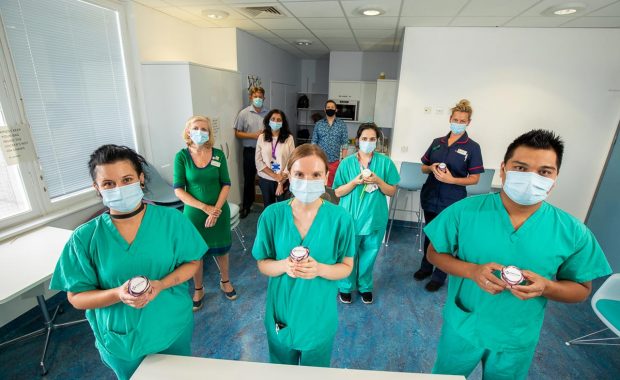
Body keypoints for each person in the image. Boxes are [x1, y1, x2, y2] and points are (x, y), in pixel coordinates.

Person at [425, 129, 611, 380]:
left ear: (555, 178)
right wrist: (472, 271)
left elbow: (581, 289)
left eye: (544, 171)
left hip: (516, 335)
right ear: (503, 169)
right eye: (521, 168)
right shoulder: (465, 212)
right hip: (464, 325)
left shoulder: (573, 232)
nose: (531, 178)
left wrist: (546, 287)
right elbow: (434, 253)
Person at [50, 145, 206, 380]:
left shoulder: (172, 220)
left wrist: (161, 284)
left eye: (127, 179)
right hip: (121, 339)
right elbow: (76, 297)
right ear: (97, 188)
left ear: (141, 179)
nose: (119, 188)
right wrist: (117, 294)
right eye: (109, 184)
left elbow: (192, 262)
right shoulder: (85, 238)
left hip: (171, 328)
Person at [252, 144, 356, 367]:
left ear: (327, 177)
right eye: (299, 174)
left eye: (316, 174)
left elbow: (346, 266)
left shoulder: (340, 219)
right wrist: (283, 266)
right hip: (282, 314)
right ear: (288, 175)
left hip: (318, 316)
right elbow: (262, 263)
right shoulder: (272, 216)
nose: (307, 181)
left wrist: (320, 269)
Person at [414, 99, 484, 292]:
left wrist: (453, 180)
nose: (458, 123)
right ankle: (426, 267)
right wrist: (431, 167)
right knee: (430, 233)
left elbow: (475, 178)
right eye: (455, 119)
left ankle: (439, 275)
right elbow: (423, 167)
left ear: (468, 122)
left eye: (463, 121)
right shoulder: (437, 143)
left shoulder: (472, 147)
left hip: (452, 199)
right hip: (430, 195)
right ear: (450, 119)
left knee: (446, 238)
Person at [174, 116, 237, 308]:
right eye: (196, 128)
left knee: (222, 249)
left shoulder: (217, 155)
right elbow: (179, 189)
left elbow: (226, 184)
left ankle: (225, 281)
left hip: (219, 212)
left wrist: (215, 210)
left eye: (204, 129)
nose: (200, 132)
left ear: (209, 133)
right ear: (188, 131)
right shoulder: (182, 157)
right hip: (194, 214)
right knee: (196, 254)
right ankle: (198, 288)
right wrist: (205, 208)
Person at [333, 123, 400, 304]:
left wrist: (377, 180)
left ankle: (365, 286)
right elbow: (338, 192)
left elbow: (391, 191)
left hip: (374, 219)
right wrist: (355, 182)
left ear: (377, 141)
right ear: (358, 140)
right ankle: (345, 287)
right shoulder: (346, 164)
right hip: (350, 219)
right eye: (364, 139)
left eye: (372, 139)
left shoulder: (385, 163)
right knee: (347, 255)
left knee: (369, 256)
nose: (368, 142)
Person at [234, 86, 268, 218]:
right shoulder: (244, 113)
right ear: (251, 97)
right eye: (255, 97)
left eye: (260, 97)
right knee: (249, 179)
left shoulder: (268, 113)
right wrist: (252, 136)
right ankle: (247, 206)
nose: (258, 99)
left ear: (264, 98)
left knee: (266, 178)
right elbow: (237, 133)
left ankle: (268, 206)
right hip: (249, 151)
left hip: (265, 152)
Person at [255, 109, 295, 208]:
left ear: (283, 123)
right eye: (273, 119)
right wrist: (275, 176)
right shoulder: (261, 137)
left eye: (279, 120)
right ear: (268, 121)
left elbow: (292, 160)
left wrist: (281, 181)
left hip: (284, 179)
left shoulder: (289, 138)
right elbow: (258, 161)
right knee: (268, 208)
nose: (275, 122)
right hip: (266, 179)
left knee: (284, 208)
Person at [311, 99, 349, 187]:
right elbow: (313, 143)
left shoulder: (341, 124)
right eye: (328, 107)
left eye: (332, 107)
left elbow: (345, 143)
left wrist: (343, 161)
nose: (330, 109)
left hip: (335, 162)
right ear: (324, 110)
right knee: (319, 185)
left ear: (336, 110)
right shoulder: (318, 124)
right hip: (320, 161)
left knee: (333, 186)